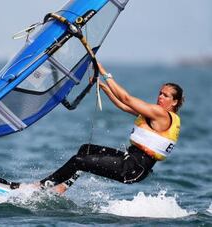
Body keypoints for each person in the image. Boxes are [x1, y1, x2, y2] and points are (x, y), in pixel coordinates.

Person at [38, 63, 184, 194]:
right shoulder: (155, 115)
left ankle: (39, 186)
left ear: (174, 102)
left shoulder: (161, 115)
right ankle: (63, 186)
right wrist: (104, 87)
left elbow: (126, 98)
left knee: (78, 160)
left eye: (166, 96)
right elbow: (123, 105)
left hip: (133, 168)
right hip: (131, 160)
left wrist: (104, 73)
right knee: (85, 149)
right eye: (160, 93)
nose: (160, 97)